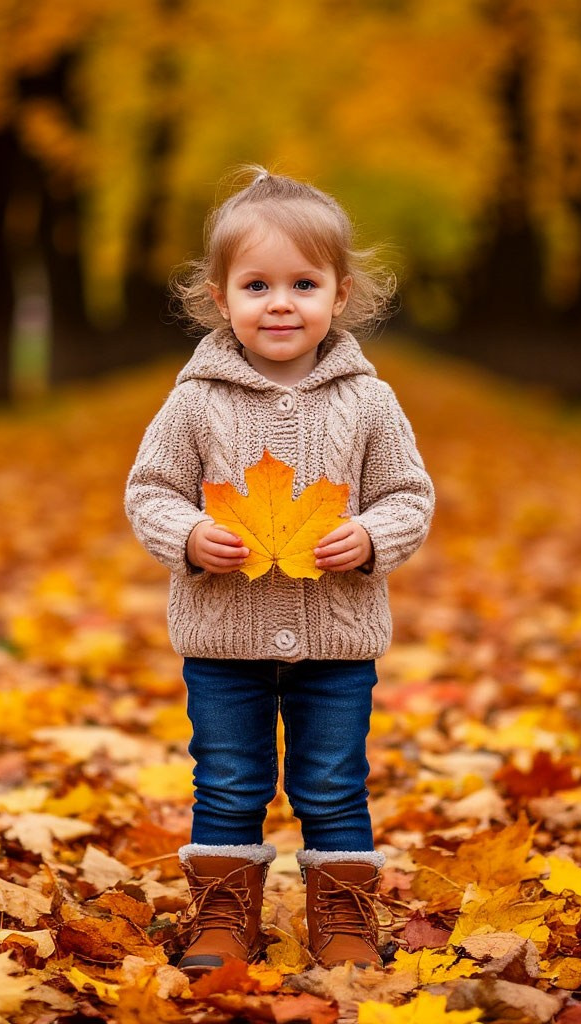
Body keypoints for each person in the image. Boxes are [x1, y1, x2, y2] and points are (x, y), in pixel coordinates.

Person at [125, 167, 434, 975]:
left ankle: (343, 917)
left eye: (304, 282)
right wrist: (189, 535)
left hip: (337, 645)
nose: (281, 302)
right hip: (223, 642)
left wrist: (369, 536)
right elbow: (149, 490)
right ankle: (225, 916)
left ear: (341, 294)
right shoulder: (195, 400)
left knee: (333, 784)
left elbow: (409, 495)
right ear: (220, 299)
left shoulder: (369, 401)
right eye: (257, 284)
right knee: (228, 781)